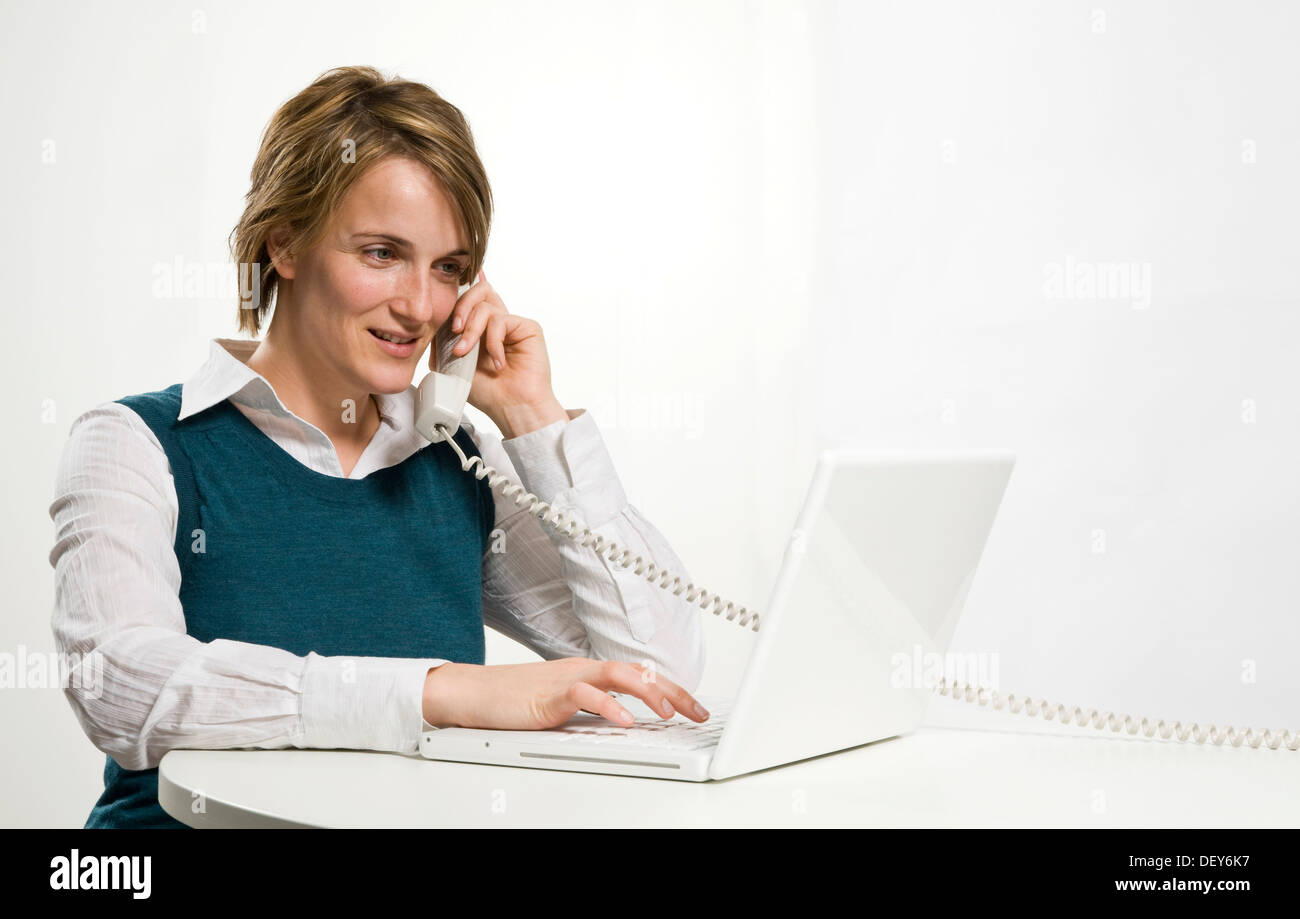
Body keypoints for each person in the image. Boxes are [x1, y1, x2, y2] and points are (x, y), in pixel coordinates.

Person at [49, 65, 708, 829]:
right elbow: (118, 683)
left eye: (448, 269)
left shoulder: (457, 464)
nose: (419, 305)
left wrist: (535, 419)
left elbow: (662, 683)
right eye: (381, 253)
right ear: (285, 243)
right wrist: (436, 692)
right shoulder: (137, 444)